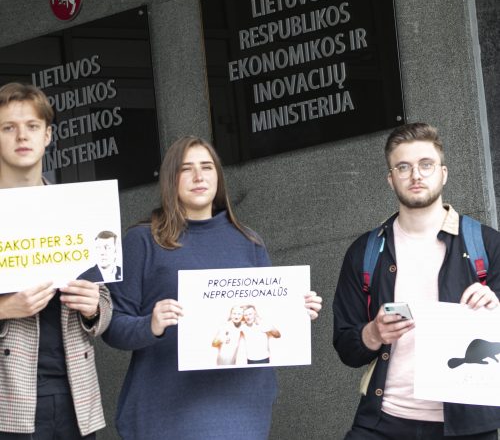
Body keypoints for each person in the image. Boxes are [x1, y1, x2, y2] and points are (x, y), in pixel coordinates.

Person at [103, 135, 322, 440]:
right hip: (167, 410)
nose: (198, 176)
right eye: (186, 169)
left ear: (218, 176)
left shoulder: (249, 242)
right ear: (170, 179)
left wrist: (296, 313)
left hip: (242, 408)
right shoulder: (142, 241)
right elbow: (112, 326)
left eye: (207, 167)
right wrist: (149, 325)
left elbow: (268, 317)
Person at [333, 122, 500, 439]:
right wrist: (372, 333)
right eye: (403, 167)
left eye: (426, 165)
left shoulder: (487, 245)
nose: (416, 175)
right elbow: (345, 346)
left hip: (469, 426)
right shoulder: (366, 252)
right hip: (385, 420)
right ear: (391, 179)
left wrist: (496, 307)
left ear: (444, 173)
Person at [0, 82, 112, 439]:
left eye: (32, 126)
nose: (22, 135)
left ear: (48, 136)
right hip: (8, 401)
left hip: (75, 398)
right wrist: (5, 308)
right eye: (8, 127)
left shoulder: (79, 210)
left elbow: (107, 303)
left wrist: (94, 307)